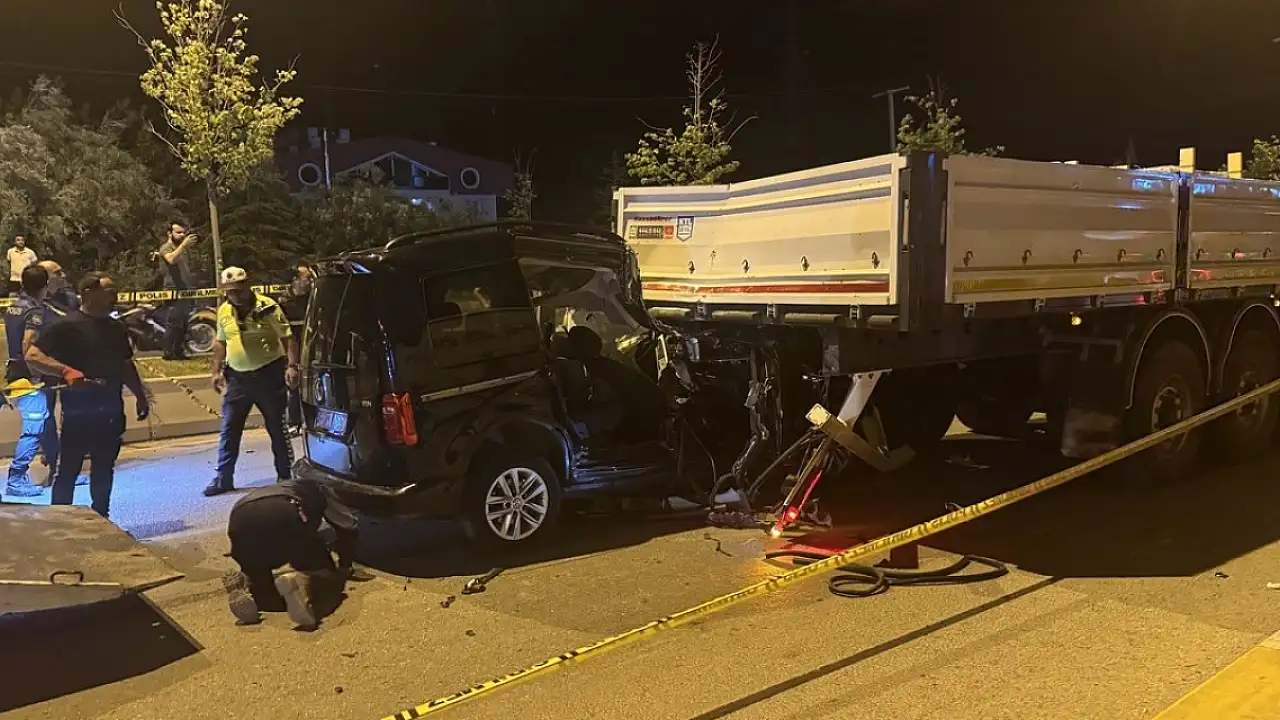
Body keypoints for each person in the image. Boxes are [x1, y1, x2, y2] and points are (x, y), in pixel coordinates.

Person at [25, 272, 150, 518]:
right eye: (109, 291)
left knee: (104, 468)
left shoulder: (116, 327)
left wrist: (140, 395)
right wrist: (66, 371)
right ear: (89, 293)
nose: (114, 295)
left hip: (111, 409)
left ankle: (102, 517)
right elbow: (33, 355)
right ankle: (61, 522)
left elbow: (125, 364)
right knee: (68, 470)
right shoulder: (66, 326)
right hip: (78, 412)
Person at [222, 478, 367, 629]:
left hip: (239, 517)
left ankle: (250, 588)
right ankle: (300, 583)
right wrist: (345, 565)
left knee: (261, 580)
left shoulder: (285, 486)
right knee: (325, 575)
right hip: (283, 512)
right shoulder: (322, 489)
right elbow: (347, 526)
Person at [205, 266, 299, 497]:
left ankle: (285, 476)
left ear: (248, 286)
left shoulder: (267, 307)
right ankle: (223, 478)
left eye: (238, 289)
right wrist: (216, 371)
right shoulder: (224, 311)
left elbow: (287, 337)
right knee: (229, 429)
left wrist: (292, 366)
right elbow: (221, 342)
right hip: (238, 378)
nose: (235, 295)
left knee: (277, 427)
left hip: (269, 374)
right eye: (230, 291)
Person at [3, 265, 58, 497]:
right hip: (29, 375)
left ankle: (59, 471)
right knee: (34, 427)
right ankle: (16, 478)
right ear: (45, 286)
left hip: (15, 369)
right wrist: (36, 372)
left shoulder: (13, 307)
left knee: (46, 422)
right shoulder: (35, 311)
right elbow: (28, 343)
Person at [157, 223, 198, 360]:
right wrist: (184, 245)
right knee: (174, 322)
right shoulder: (166, 247)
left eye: (183, 232)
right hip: (173, 290)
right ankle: (168, 352)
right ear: (170, 233)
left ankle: (179, 351)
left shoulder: (183, 250)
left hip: (185, 289)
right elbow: (170, 259)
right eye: (178, 232)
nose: (182, 235)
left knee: (183, 323)